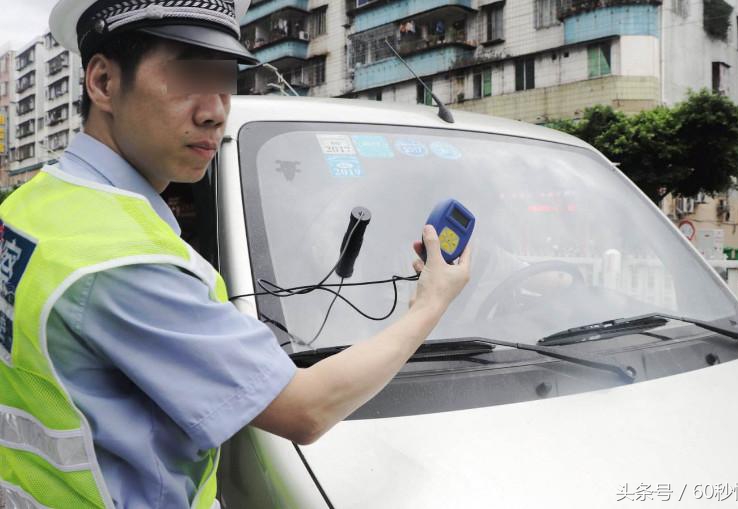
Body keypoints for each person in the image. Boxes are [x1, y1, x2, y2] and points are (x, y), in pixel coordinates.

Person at [0, 0, 471, 508]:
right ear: (103, 83)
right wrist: (430, 304)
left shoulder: (35, 203)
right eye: (189, 78)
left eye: (226, 80)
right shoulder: (123, 261)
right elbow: (304, 410)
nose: (215, 110)